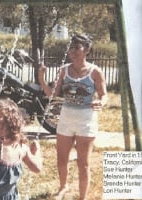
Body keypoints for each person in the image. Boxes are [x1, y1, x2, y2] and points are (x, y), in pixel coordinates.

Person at [38, 34, 108, 200]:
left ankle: (82, 196)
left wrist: (101, 102)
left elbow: (104, 95)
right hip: (65, 120)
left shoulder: (95, 72)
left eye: (77, 48)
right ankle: (63, 188)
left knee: (83, 163)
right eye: (71, 48)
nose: (73, 51)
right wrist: (41, 79)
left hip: (86, 121)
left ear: (87, 50)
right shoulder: (64, 70)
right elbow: (53, 95)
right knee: (61, 159)